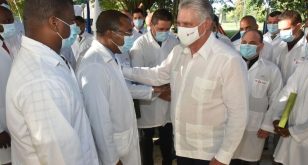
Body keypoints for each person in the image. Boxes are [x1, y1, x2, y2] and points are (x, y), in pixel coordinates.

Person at [122, 0, 249, 164]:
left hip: (209, 153)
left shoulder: (228, 60)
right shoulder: (179, 51)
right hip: (182, 148)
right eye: (179, 23)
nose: (181, 29)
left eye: (187, 24)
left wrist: (223, 156)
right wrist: (122, 71)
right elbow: (157, 75)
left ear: (206, 25)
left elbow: (239, 114)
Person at [5, 0, 99, 164]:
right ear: (54, 23)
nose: (73, 29)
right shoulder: (41, 79)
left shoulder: (45, 62)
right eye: (70, 22)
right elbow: (62, 158)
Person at [76, 10, 142, 165]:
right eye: (128, 32)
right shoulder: (94, 66)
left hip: (124, 142)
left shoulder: (109, 57)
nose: (132, 36)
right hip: (115, 152)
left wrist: (153, 91)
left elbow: (120, 92)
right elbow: (98, 120)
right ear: (111, 33)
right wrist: (112, 160)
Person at [130, 9, 179, 165]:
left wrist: (168, 90)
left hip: (169, 99)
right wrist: (159, 92)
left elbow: (177, 70)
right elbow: (137, 74)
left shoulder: (174, 42)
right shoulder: (140, 45)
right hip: (148, 102)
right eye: (161, 29)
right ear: (151, 25)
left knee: (167, 139)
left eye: (168, 29)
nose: (165, 32)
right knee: (146, 140)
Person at [231, 30, 283, 165]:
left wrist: (267, 126)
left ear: (261, 46)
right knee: (228, 159)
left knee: (250, 160)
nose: (247, 46)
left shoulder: (271, 70)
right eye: (244, 42)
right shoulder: (230, 65)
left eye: (252, 43)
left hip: (255, 127)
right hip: (229, 125)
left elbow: (276, 100)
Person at [269, 61, 308, 165]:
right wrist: (279, 119)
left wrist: (295, 131)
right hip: (291, 134)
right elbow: (290, 94)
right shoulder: (305, 65)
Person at [272, 10, 306, 84]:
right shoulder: (279, 46)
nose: (282, 32)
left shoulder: (307, 47)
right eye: (280, 29)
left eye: (286, 29)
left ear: (298, 26)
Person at [0, 6, 13, 165]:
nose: (11, 24)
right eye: (6, 21)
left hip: (13, 123)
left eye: (12, 20)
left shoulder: (8, 43)